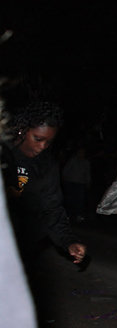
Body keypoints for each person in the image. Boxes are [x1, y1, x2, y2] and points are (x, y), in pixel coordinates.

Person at [1, 102, 87, 266]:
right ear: (22, 130)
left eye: (48, 142)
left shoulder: (47, 166)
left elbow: (51, 209)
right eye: (38, 139)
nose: (42, 147)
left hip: (21, 247)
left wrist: (68, 241)